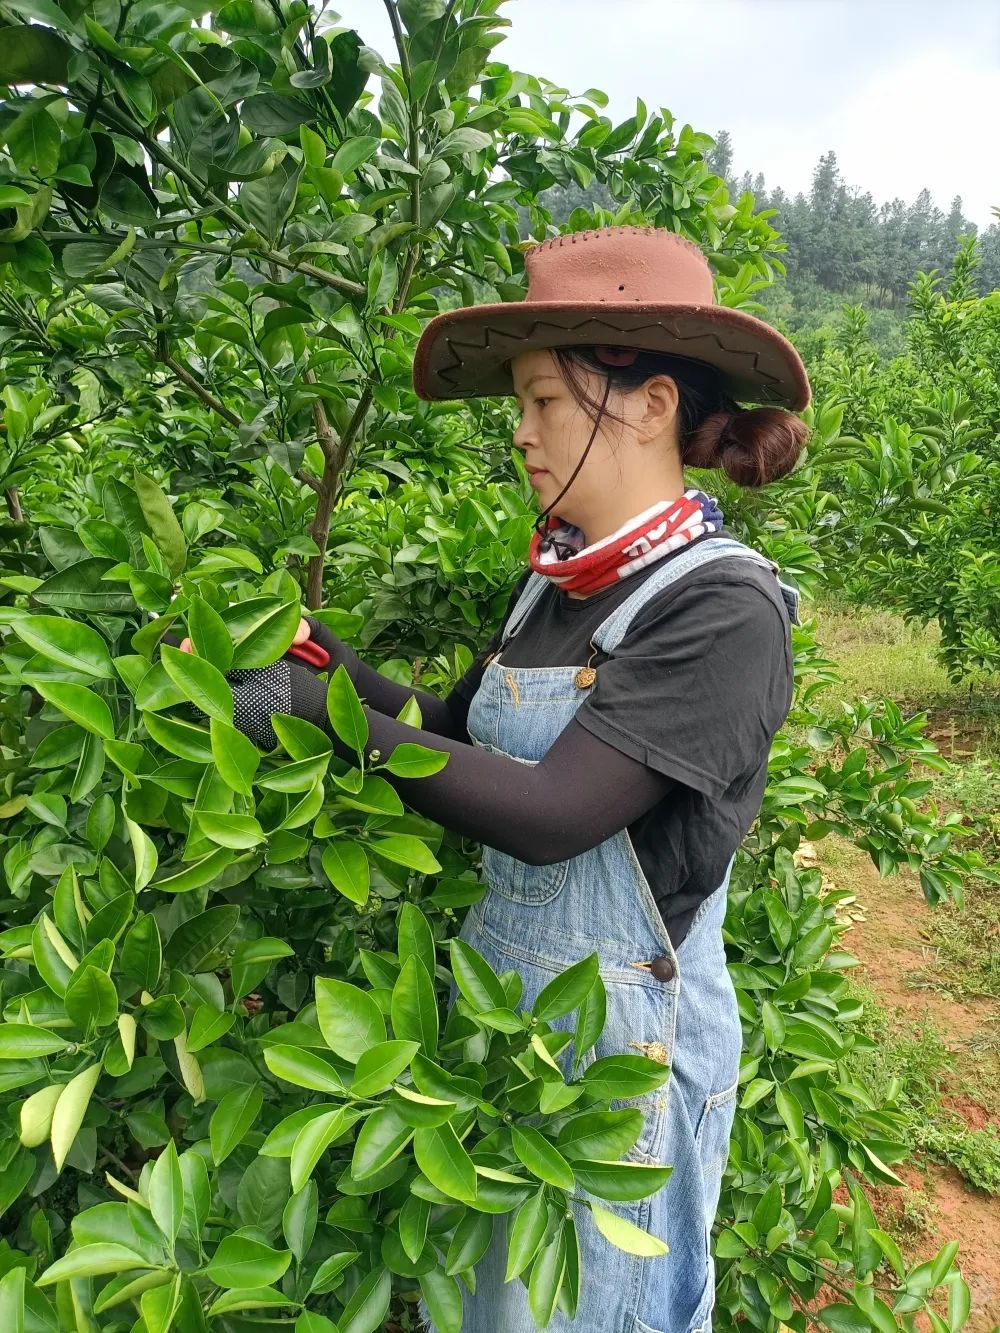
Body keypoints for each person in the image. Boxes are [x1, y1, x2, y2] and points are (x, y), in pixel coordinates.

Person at [176, 226, 811, 1332]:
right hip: (506, 1038)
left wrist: (318, 715)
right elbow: (446, 731)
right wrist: (314, 653)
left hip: (614, 1066)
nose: (518, 432)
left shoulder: (721, 609)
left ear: (650, 403)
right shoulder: (554, 584)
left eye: (543, 403)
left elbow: (549, 812)